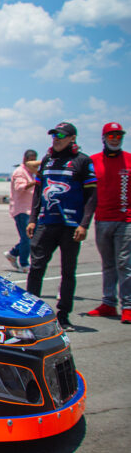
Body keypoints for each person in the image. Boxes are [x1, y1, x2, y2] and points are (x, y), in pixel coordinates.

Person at [26, 122, 97, 331]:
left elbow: (92, 196)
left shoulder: (82, 161)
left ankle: (63, 316)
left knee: (68, 271)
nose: (56, 139)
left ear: (72, 138)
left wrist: (84, 224)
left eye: (60, 136)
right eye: (54, 135)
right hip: (46, 223)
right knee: (36, 268)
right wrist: (32, 219)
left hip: (71, 226)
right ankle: (30, 315)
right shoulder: (47, 160)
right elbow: (38, 192)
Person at [86, 122, 131, 323]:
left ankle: (128, 306)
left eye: (118, 136)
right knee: (108, 264)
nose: (115, 139)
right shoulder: (93, 161)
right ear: (104, 138)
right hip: (101, 219)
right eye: (111, 136)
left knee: (124, 263)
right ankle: (108, 303)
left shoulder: (129, 160)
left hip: (125, 220)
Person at [4, 149, 38, 272]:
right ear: (25, 159)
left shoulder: (31, 172)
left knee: (30, 237)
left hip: (30, 209)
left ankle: (13, 254)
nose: (33, 162)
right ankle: (24, 263)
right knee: (27, 237)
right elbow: (20, 188)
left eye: (35, 160)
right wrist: (35, 182)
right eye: (31, 160)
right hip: (21, 210)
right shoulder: (20, 172)